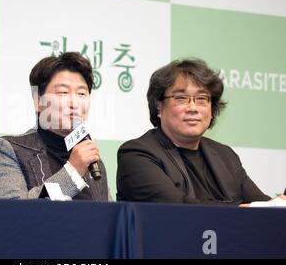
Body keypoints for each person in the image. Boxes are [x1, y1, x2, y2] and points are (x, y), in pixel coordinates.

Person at [117, 58, 274, 205]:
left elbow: (260, 205)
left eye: (201, 99)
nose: (192, 108)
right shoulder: (137, 155)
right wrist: (242, 210)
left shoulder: (225, 156)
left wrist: (277, 204)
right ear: (159, 106)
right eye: (181, 98)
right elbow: (178, 209)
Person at [0, 52, 110, 200]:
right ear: (38, 101)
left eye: (82, 94)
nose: (74, 103)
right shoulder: (6, 151)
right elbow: (13, 215)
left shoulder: (92, 162)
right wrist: (72, 173)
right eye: (63, 93)